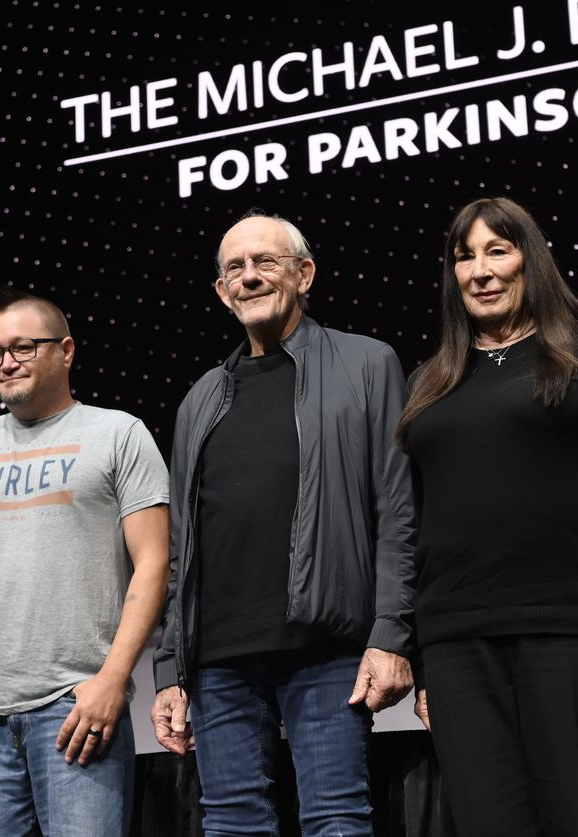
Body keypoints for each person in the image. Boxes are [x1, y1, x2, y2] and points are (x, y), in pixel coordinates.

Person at [150, 211, 418, 836]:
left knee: (336, 819)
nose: (249, 278)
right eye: (235, 269)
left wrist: (391, 633)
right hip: (219, 657)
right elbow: (182, 548)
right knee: (233, 824)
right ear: (221, 291)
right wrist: (173, 669)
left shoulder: (367, 364)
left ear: (305, 274)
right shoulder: (201, 398)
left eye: (265, 263)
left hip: (324, 646)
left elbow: (398, 510)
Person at [0, 287, 169, 837]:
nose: (5, 363)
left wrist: (112, 681)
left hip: (76, 711)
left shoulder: (118, 433)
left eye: (22, 348)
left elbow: (154, 563)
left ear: (66, 351)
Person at [396, 197, 578, 836]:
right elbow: (414, 524)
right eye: (464, 257)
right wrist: (417, 654)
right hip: (455, 641)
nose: (481, 271)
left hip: (572, 622)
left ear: (531, 260)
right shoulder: (429, 382)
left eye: (498, 250)